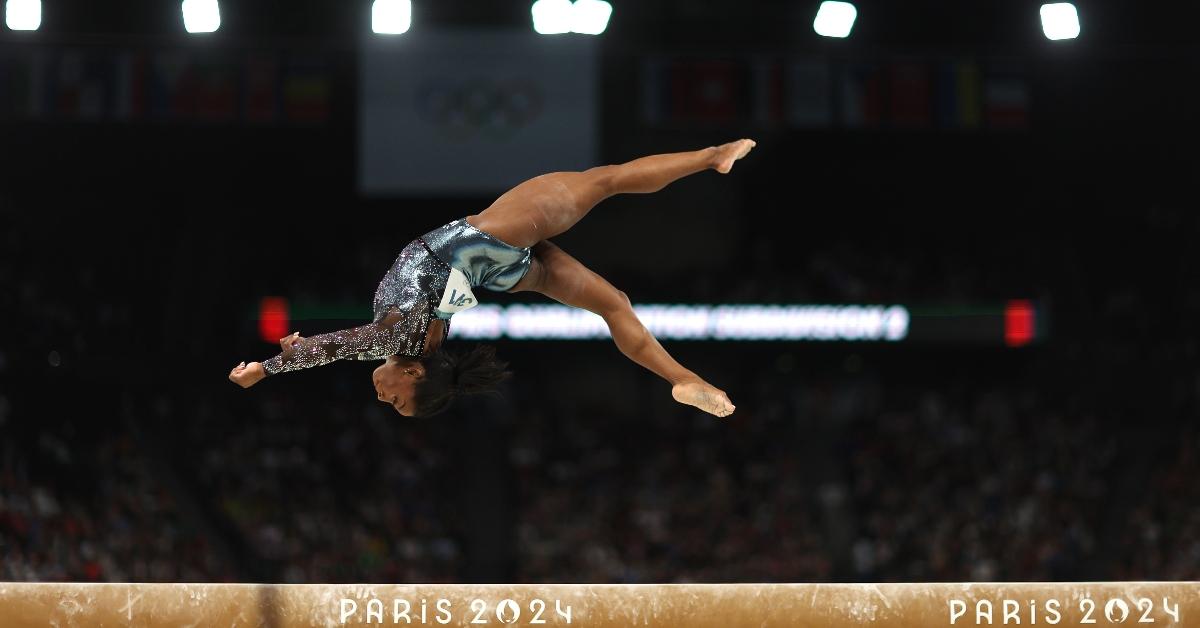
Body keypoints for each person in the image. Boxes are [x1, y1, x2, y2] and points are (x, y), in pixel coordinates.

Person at [228, 140, 756, 418]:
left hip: (498, 272)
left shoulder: (420, 341)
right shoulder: (402, 341)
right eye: (394, 399)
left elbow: (353, 343)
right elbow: (348, 345)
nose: (381, 396)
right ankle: (711, 157)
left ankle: (683, 379)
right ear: (412, 375)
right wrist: (271, 367)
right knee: (607, 180)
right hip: (486, 242)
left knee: (614, 304)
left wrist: (294, 355)